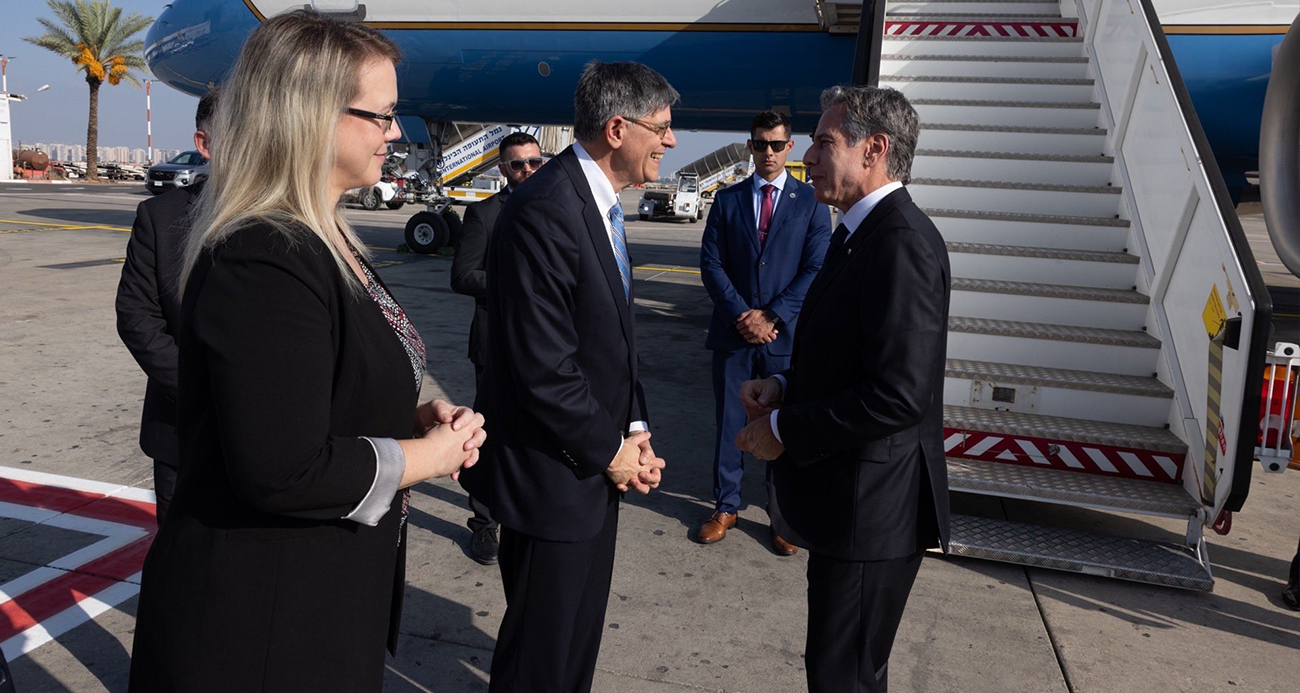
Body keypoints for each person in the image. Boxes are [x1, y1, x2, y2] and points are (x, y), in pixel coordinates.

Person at [128, 11, 486, 692]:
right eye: (381, 115)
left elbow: (320, 386)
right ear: (313, 116)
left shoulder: (321, 239)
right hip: (258, 634)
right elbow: (282, 467)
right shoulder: (264, 255)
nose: (395, 132)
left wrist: (408, 415)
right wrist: (425, 457)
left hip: (306, 608)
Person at [459, 60, 670, 693]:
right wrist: (614, 454)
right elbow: (543, 367)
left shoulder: (595, 204)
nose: (671, 140)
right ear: (616, 129)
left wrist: (634, 431)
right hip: (553, 477)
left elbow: (611, 346)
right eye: (660, 126)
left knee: (574, 647)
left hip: (593, 467)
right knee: (540, 660)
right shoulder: (545, 209)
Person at [736, 85, 951, 693]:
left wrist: (782, 431)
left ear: (874, 149)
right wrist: (783, 387)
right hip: (852, 502)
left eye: (825, 141)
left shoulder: (900, 241)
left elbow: (898, 394)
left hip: (872, 509)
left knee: (845, 676)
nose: (808, 153)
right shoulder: (859, 231)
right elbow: (854, 361)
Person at [696, 110, 831, 553]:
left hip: (784, 338)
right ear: (749, 146)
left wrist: (771, 317)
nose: (768, 152)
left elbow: (815, 268)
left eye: (776, 144)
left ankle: (781, 516)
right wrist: (743, 316)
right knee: (730, 422)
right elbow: (711, 264)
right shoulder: (727, 200)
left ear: (789, 147)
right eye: (760, 144)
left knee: (781, 423)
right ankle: (726, 506)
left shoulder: (811, 203)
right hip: (735, 335)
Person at [115, 88, 218, 525]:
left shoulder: (291, 217)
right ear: (205, 144)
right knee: (179, 560)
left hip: (276, 438)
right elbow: (137, 317)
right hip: (183, 426)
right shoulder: (160, 217)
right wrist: (203, 389)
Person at [450, 130, 545, 565]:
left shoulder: (555, 211)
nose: (527, 171)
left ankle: (526, 512)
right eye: (518, 165)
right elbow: (463, 275)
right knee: (487, 436)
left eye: (534, 163)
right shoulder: (484, 214)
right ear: (503, 170)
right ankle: (484, 525)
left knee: (536, 433)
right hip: (496, 344)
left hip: (544, 347)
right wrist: (518, 287)